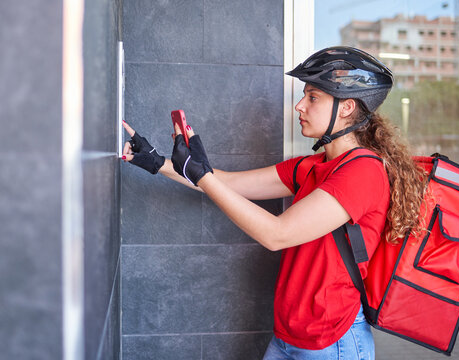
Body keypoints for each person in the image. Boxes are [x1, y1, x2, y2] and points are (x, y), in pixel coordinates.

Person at [122, 46, 426, 360]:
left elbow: (277, 233)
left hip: (333, 341)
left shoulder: (363, 171)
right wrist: (158, 162)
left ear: (347, 108)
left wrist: (201, 174)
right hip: (288, 336)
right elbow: (228, 184)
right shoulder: (310, 167)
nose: (299, 106)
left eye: (313, 98)